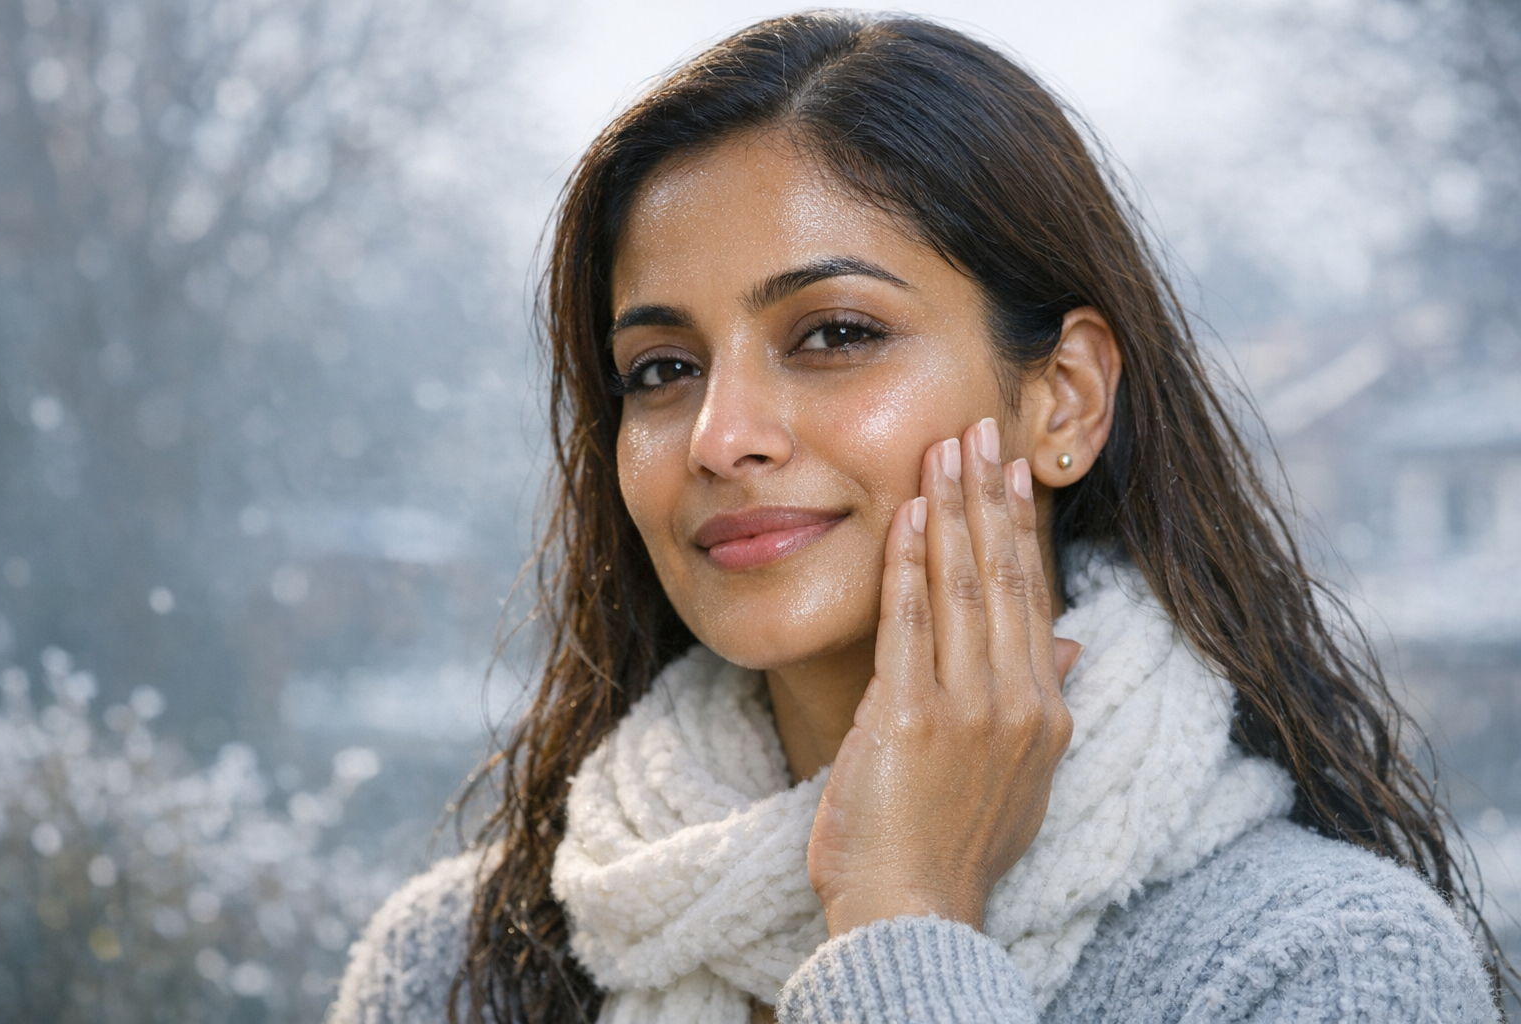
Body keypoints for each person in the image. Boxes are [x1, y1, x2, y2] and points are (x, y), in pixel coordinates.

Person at [327, 12, 1507, 1024]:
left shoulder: (1323, 964)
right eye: (660, 368)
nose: (719, 433)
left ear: (1067, 398)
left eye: (835, 333)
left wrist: (905, 915)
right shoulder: (460, 968)